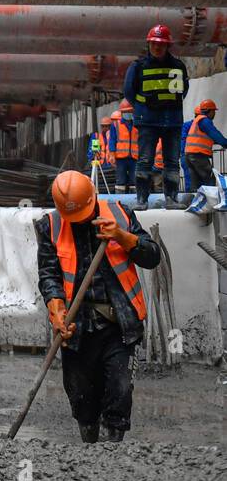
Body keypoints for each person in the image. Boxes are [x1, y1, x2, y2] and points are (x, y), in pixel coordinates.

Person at [35, 170, 161, 443]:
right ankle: (89, 452)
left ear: (93, 198)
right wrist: (56, 312)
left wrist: (122, 237)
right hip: (76, 327)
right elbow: (49, 275)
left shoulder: (120, 214)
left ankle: (112, 454)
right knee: (81, 398)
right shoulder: (51, 226)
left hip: (119, 323)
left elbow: (152, 257)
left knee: (119, 389)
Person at [122, 24, 188, 208]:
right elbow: (128, 91)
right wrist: (144, 107)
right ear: (149, 44)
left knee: (172, 162)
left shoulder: (178, 66)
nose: (157, 47)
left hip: (171, 121)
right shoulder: (138, 67)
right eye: (153, 44)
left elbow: (183, 89)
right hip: (149, 121)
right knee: (145, 160)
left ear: (167, 46)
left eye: (161, 44)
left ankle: (171, 199)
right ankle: (141, 200)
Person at [184, 99, 227, 189]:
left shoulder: (197, 121)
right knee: (209, 179)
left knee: (196, 183)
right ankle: (211, 202)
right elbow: (215, 134)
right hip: (198, 156)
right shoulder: (204, 121)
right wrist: (224, 143)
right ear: (209, 111)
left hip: (189, 155)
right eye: (213, 111)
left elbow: (205, 138)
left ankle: (195, 201)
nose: (214, 113)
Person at [111, 101, 138, 195]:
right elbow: (112, 140)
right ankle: (120, 198)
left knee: (134, 180)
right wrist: (112, 155)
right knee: (120, 181)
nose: (128, 114)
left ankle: (135, 198)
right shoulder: (116, 125)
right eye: (126, 112)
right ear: (122, 113)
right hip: (121, 158)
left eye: (130, 111)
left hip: (134, 157)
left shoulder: (137, 124)